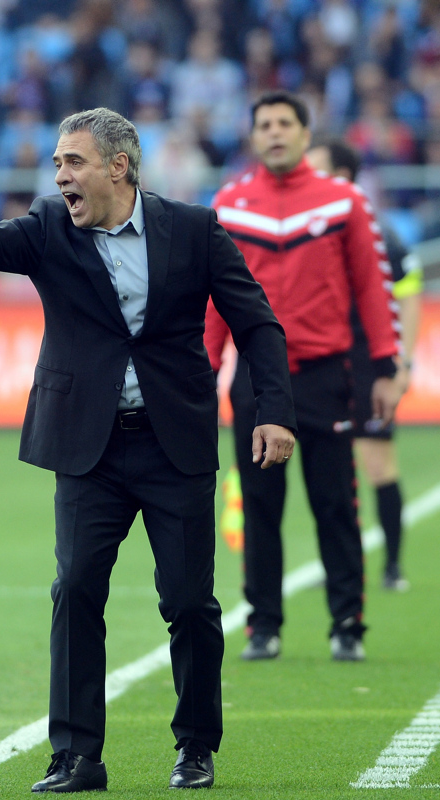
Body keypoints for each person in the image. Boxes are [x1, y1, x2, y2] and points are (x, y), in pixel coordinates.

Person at [0, 107, 296, 793]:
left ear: (118, 167)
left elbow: (257, 323)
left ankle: (195, 746)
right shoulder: (48, 227)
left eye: (73, 162)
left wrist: (273, 413)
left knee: (189, 603)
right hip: (88, 447)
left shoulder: (194, 229)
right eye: (57, 164)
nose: (60, 176)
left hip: (174, 445)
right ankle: (75, 756)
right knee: (74, 591)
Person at [205, 91, 402, 664]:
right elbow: (212, 297)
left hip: (325, 375)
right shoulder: (231, 204)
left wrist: (385, 366)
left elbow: (372, 286)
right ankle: (263, 625)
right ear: (253, 137)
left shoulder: (343, 201)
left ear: (304, 134)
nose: (274, 132)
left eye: (284, 123)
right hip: (255, 379)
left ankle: (347, 624)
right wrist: (204, 367)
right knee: (260, 505)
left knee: (335, 503)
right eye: (264, 124)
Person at [306, 137, 423, 591]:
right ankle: (340, 563)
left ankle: (392, 566)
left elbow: (408, 296)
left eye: (317, 167)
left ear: (343, 176)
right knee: (330, 470)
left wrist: (401, 362)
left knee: (377, 463)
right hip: (322, 363)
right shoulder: (306, 227)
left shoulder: (378, 230)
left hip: (369, 363)